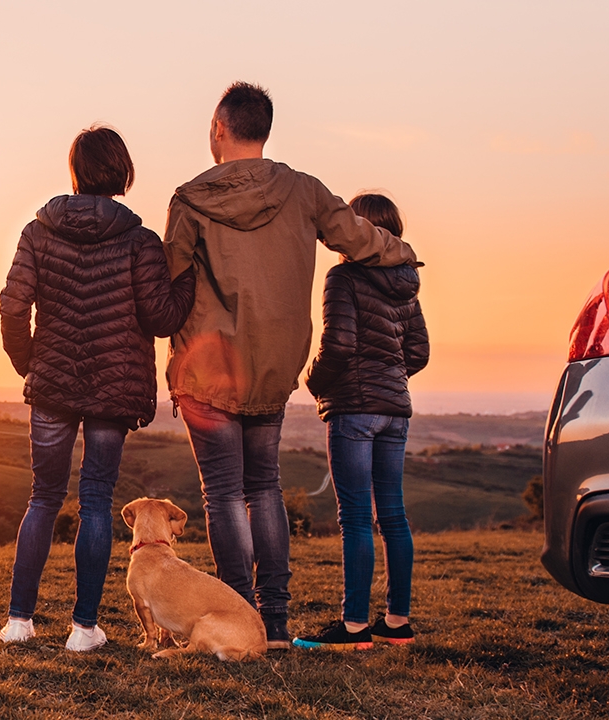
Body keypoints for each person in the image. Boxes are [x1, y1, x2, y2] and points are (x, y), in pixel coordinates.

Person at [162, 82, 418, 649]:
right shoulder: (305, 191)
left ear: (218, 129)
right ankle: (274, 624)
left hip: (209, 372)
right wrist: (405, 256)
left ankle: (239, 616)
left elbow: (168, 289)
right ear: (266, 129)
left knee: (225, 495)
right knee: (265, 489)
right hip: (276, 368)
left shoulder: (190, 200)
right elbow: (359, 239)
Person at [0, 125, 196, 651]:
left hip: (53, 387)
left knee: (43, 497)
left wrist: (31, 364)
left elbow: (13, 306)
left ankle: (19, 622)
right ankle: (84, 629)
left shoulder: (37, 232)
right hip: (113, 388)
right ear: (122, 172)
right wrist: (189, 278)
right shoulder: (140, 240)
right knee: (96, 502)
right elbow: (160, 316)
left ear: (76, 171)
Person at [293, 193, 429, 650]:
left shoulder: (343, 277)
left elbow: (340, 344)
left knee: (354, 518)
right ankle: (397, 623)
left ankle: (353, 628)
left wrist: (313, 381)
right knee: (392, 515)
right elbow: (418, 353)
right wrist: (388, 379)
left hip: (353, 408)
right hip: (395, 409)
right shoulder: (407, 283)